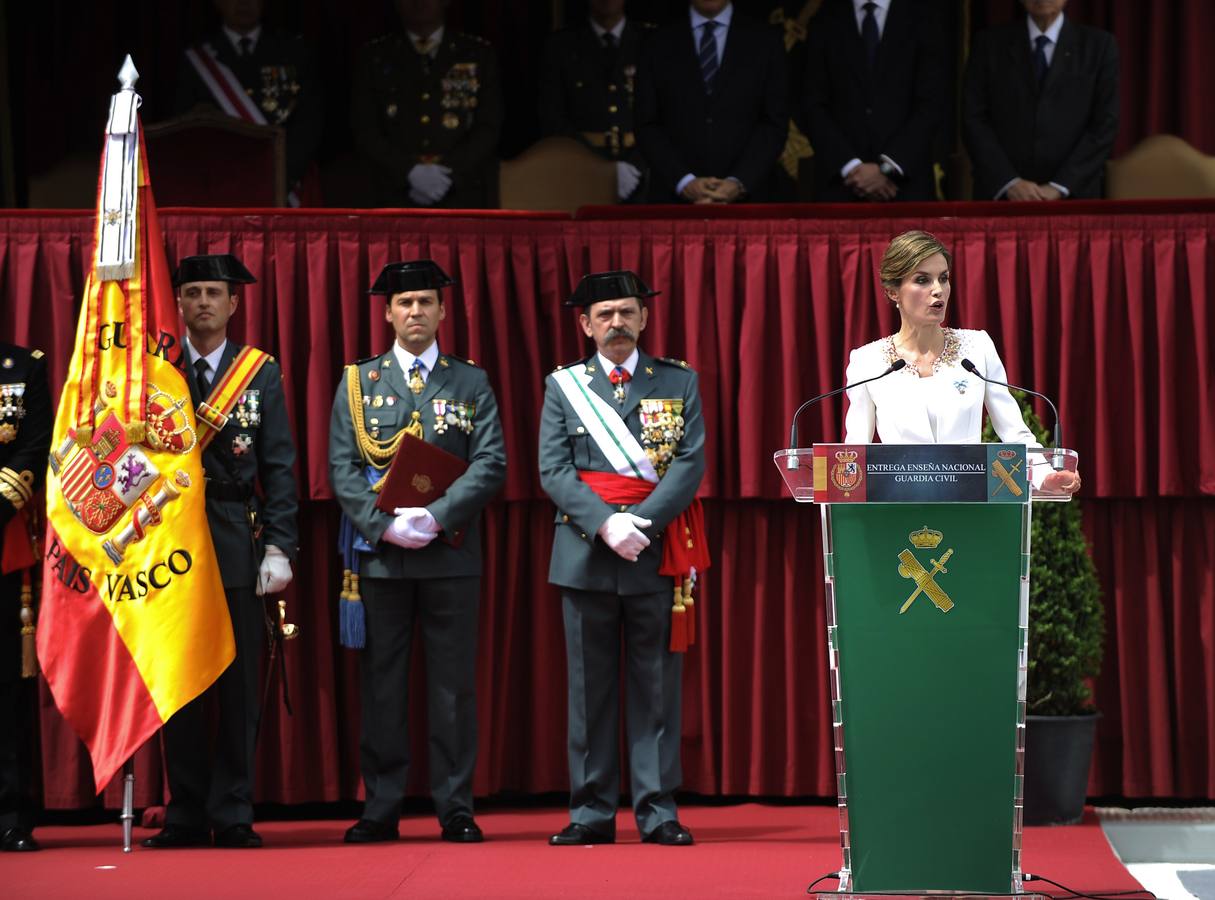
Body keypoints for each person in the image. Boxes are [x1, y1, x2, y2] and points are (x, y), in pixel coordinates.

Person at [329, 260, 505, 844]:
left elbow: (491, 463)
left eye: (426, 302)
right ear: (386, 312)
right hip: (382, 556)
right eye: (404, 302)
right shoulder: (359, 381)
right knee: (383, 685)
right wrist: (383, 527)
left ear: (443, 311)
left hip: (450, 554)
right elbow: (342, 467)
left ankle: (455, 806)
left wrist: (436, 515)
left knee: (453, 687)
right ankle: (380, 807)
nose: (415, 312)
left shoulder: (470, 381)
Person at [540, 271, 707, 847]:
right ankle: (590, 813)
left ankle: (658, 810)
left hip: (652, 550)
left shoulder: (677, 381)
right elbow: (553, 469)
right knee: (588, 692)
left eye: (627, 313)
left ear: (644, 318)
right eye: (605, 314)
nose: (617, 323)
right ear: (585, 324)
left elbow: (689, 462)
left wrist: (642, 523)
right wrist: (605, 523)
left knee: (657, 687)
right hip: (586, 551)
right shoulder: (564, 387)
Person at [142, 254, 299, 849]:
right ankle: (184, 811)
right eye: (191, 293)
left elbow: (280, 466)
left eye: (214, 293)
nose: (203, 302)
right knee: (180, 683)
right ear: (177, 303)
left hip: (237, 535)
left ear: (234, 305)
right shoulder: (156, 370)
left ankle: (232, 810)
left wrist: (280, 546)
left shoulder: (258, 372)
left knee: (235, 686)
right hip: (170, 541)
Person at [843, 230, 1081, 494]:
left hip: (969, 503)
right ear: (893, 292)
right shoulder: (867, 362)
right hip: (899, 507)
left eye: (943, 278)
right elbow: (854, 452)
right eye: (922, 280)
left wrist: (1045, 476)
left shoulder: (977, 347)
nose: (938, 290)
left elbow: (1015, 432)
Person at [351, 0, 503, 209]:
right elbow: (365, 130)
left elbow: (489, 127)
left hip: (463, 193)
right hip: (393, 195)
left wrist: (448, 172)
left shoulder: (477, 54)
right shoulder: (374, 57)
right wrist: (409, 171)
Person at [962, 0, 1119, 201]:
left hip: (1075, 196)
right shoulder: (988, 44)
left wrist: (1060, 186)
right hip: (1002, 195)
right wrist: (1009, 181)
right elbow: (973, 118)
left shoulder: (1099, 46)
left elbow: (1105, 124)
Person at [635, 0, 788, 203]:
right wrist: (684, 181)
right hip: (673, 202)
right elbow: (646, 123)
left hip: (750, 202)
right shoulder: (657, 41)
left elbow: (774, 122)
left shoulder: (766, 40)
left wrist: (738, 181)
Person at [176, 0, 324, 200]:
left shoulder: (295, 52)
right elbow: (187, 131)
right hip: (221, 187)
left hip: (284, 184)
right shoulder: (197, 60)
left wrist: (282, 176)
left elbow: (309, 122)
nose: (244, 3)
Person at [802, 0, 946, 202]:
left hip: (906, 187)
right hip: (841, 187)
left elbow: (932, 103)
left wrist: (887, 168)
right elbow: (812, 103)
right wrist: (851, 167)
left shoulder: (925, 16)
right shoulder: (824, 19)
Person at [0, 342, 51, 853]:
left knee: (6, 690)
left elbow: (34, 444)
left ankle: (10, 813)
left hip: (3, 536)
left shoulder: (23, 368)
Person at [538, 0, 654, 202]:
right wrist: (599, 168)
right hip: (579, 175)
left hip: (645, 173)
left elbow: (667, 114)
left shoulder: (650, 41)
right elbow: (552, 119)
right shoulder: (561, 45)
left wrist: (638, 164)